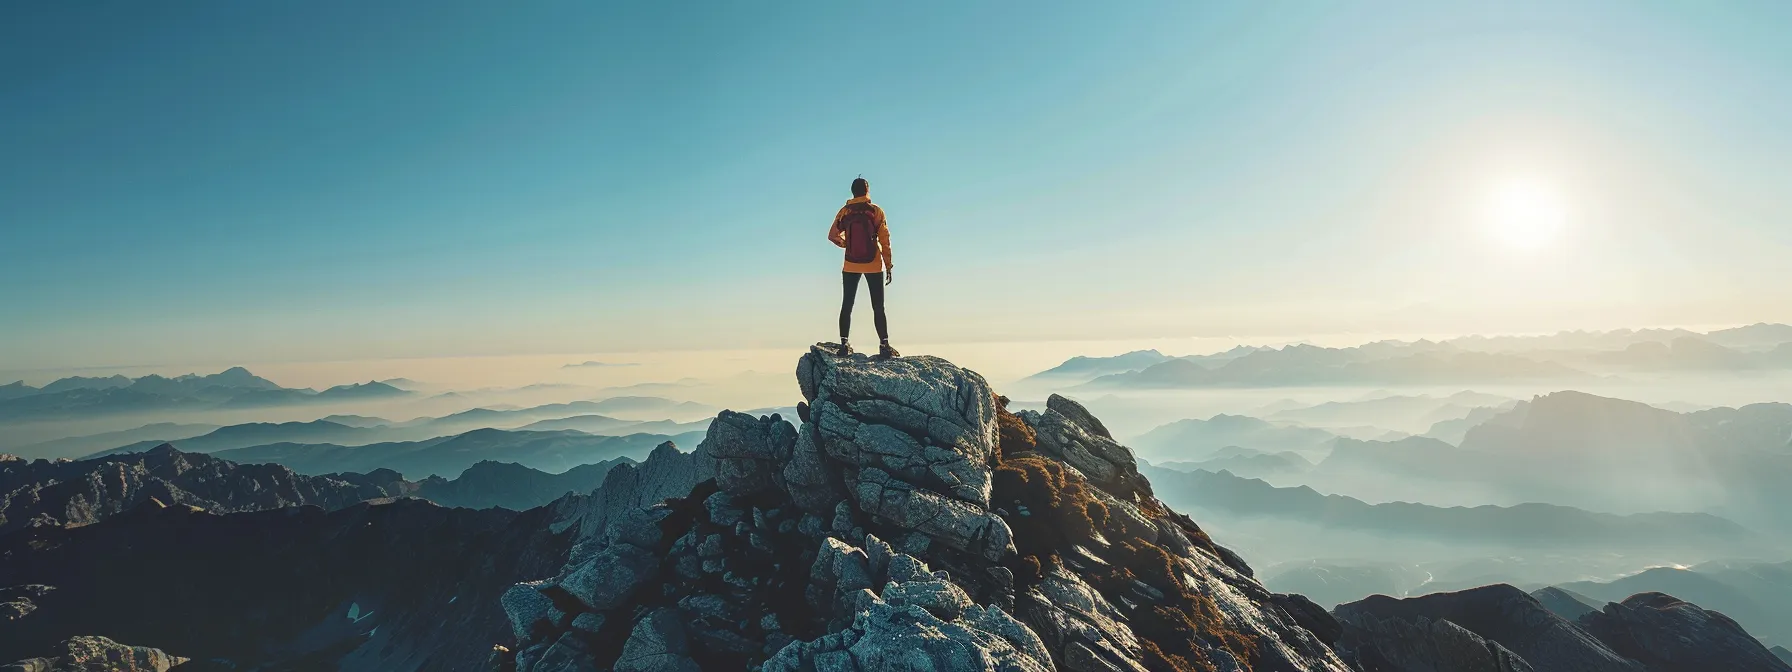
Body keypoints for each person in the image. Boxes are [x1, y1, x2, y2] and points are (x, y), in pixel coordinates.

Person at [828, 177, 898, 358]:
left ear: (852, 191)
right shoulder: (876, 211)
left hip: (850, 264)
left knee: (847, 304)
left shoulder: (845, 211)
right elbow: (885, 240)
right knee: (878, 306)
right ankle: (884, 345)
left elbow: (832, 235)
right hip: (874, 264)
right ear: (867, 190)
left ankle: (844, 344)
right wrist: (888, 264)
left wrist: (847, 245)